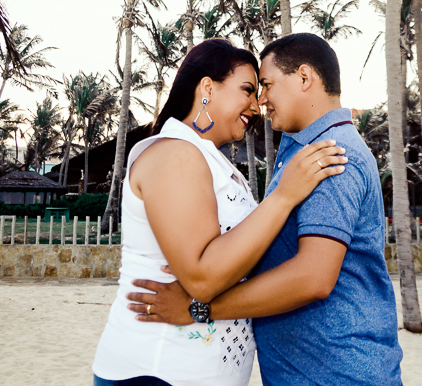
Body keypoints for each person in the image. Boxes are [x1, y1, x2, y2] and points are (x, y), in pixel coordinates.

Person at [126, 33, 403, 386]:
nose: (262, 100)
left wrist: (200, 308)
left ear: (305, 78)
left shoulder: (330, 154)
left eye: (268, 85)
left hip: (336, 372)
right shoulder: (302, 148)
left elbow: (313, 277)